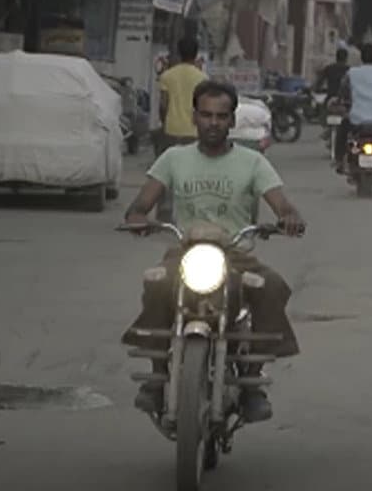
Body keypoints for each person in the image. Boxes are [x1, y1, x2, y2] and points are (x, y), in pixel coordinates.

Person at [121, 81, 307, 423]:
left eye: (221, 116)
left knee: (272, 286)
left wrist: (289, 218)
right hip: (185, 251)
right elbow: (140, 204)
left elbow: (282, 205)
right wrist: (136, 219)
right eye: (206, 115)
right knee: (157, 286)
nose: (213, 122)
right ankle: (157, 378)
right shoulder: (174, 158)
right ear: (194, 117)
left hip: (236, 253)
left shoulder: (253, 163)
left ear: (232, 120)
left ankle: (252, 382)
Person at [155, 37, 207, 222]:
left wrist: (165, 122)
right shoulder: (202, 78)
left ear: (178, 52)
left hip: (171, 129)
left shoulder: (168, 76)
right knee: (192, 174)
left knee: (167, 172)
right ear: (196, 54)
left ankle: (164, 211)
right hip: (193, 132)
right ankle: (190, 212)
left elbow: (163, 104)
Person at [334, 43, 372, 170]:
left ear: (361, 57)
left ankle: (339, 160)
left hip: (356, 119)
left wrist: (340, 101)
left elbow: (342, 91)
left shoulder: (352, 73)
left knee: (342, 132)